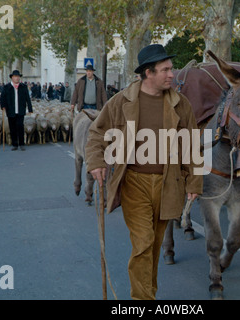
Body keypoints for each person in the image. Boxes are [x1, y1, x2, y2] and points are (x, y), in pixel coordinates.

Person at [85, 44, 203, 300]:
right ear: (148, 73)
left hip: (169, 183)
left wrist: (194, 182)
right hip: (134, 183)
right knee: (143, 243)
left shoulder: (180, 104)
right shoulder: (122, 101)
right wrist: (95, 161)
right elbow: (97, 133)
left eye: (171, 69)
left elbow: (193, 145)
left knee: (155, 246)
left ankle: (148, 293)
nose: (172, 74)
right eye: (166, 70)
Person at [0, 70, 33, 151]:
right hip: (11, 110)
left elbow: (27, 98)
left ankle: (21, 143)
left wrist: (30, 108)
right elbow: (2, 97)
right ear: (12, 77)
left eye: (18, 76)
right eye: (15, 76)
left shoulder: (23, 87)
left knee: (20, 127)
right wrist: (3, 106)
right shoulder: (7, 87)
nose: (17, 78)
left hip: (20, 110)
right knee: (12, 128)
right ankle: (15, 144)